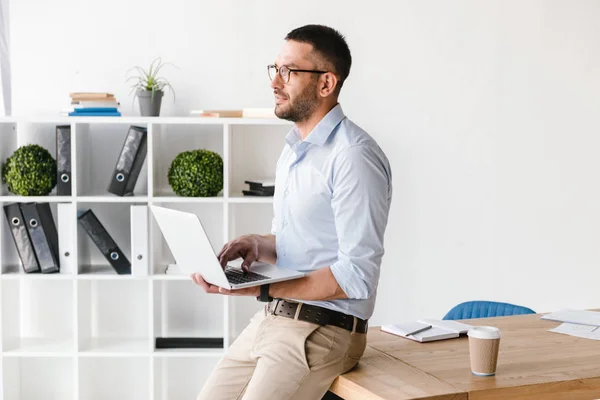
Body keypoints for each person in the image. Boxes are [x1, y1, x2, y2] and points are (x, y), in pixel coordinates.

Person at [193, 24, 393, 400]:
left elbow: (356, 276)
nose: (275, 82)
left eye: (289, 71)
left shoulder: (353, 157)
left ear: (325, 83)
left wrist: (259, 286)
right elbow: (298, 243)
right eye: (275, 69)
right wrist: (255, 244)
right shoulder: (294, 150)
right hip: (273, 319)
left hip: (324, 329)